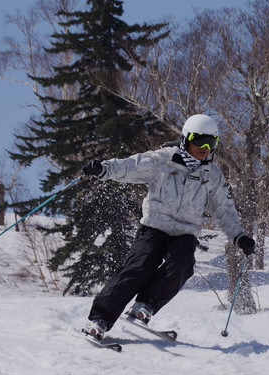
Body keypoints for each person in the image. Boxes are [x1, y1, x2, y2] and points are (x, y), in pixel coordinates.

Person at [81, 114, 255, 340]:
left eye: (211, 143)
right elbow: (130, 167)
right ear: (186, 139)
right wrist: (104, 169)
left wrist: (238, 236)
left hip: (185, 232)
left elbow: (224, 209)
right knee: (139, 266)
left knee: (182, 263)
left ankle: (144, 306)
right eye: (199, 141)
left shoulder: (211, 174)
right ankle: (99, 321)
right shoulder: (162, 161)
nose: (204, 148)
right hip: (155, 227)